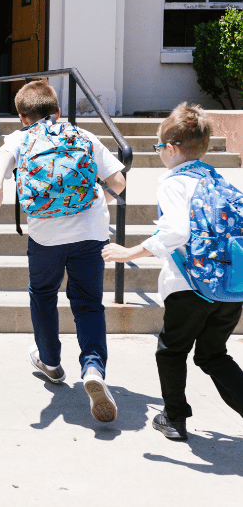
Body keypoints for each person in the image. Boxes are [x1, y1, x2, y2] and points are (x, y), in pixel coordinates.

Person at [0, 79, 126, 422]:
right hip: (91, 233)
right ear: (58, 111)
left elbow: (1, 165)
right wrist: (97, 204)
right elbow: (119, 182)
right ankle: (93, 368)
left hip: (46, 236)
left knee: (43, 294)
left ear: (22, 117)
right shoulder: (84, 136)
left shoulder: (20, 138)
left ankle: (50, 362)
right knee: (89, 303)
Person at [102, 102, 243, 440]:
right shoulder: (217, 179)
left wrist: (128, 252)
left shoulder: (173, 182)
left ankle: (175, 418)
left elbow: (176, 231)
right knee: (212, 354)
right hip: (231, 287)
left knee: (171, 351)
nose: (160, 154)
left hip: (189, 286)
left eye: (159, 147)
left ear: (173, 148)